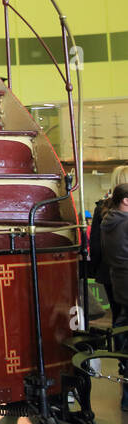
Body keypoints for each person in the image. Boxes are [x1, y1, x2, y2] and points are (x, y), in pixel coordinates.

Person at [98, 182, 128, 410]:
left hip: (119, 281)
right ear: (125, 201)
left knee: (123, 329)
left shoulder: (109, 221)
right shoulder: (125, 223)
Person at [86, 165, 128, 318]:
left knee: (117, 316)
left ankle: (119, 342)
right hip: (122, 271)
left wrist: (96, 268)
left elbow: (96, 244)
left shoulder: (101, 208)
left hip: (107, 270)